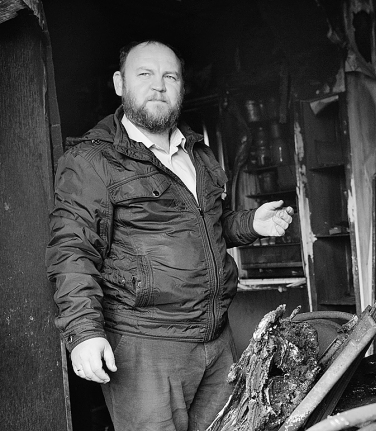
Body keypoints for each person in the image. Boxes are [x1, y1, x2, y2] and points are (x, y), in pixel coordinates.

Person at [45, 39, 294, 431]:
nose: (158, 85)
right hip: (146, 347)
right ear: (120, 83)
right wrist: (84, 332)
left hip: (217, 340)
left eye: (170, 76)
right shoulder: (92, 160)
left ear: (181, 87)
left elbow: (205, 227)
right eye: (144, 74)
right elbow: (72, 249)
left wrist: (251, 224)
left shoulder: (197, 153)